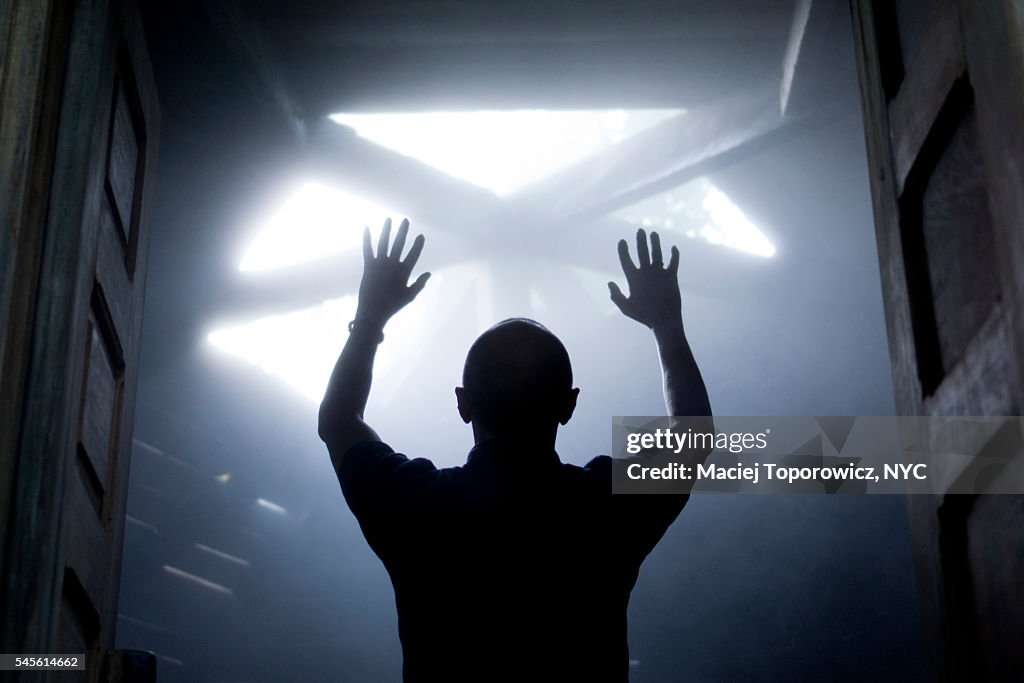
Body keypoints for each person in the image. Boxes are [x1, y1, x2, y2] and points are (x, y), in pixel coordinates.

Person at [319, 219, 712, 682]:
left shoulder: (415, 504)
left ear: (463, 404)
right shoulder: (606, 505)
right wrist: (667, 324)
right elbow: (694, 437)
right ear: (568, 406)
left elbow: (338, 421)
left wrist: (370, 318)